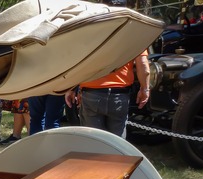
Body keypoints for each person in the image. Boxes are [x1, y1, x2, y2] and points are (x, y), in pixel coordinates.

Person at [63, 0, 150, 138]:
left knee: (94, 141)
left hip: (91, 95)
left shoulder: (89, 33)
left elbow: (77, 63)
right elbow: (144, 66)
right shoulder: (133, 34)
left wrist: (70, 88)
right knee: (116, 143)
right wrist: (145, 88)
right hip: (119, 96)